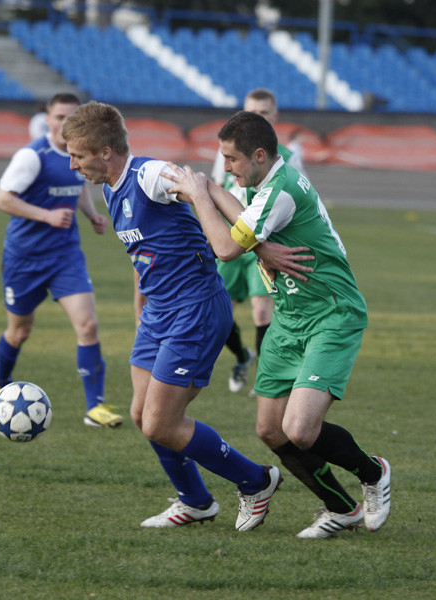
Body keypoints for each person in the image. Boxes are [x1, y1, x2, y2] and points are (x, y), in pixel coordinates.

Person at [61, 101, 317, 530]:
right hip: (159, 312)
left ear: (105, 152)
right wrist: (141, 304)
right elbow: (144, 251)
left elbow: (207, 188)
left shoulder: (148, 175)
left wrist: (259, 244)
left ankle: (256, 480)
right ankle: (196, 502)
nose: (72, 165)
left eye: (77, 156)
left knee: (161, 423)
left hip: (195, 309)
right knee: (143, 416)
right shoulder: (110, 188)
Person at [164, 110, 391, 539]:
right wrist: (210, 188)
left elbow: (225, 247)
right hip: (289, 317)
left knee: (299, 430)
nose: (226, 166)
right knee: (270, 429)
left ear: (259, 155)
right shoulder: (266, 182)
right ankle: (341, 508)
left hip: (330, 314)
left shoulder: (281, 189)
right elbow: (243, 215)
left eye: (231, 159)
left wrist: (199, 197)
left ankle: (373, 472)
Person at [0, 93, 123, 428]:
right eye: (59, 116)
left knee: (88, 325)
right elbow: (2, 199)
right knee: (19, 332)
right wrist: (46, 216)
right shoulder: (32, 157)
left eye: (72, 117)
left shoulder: (80, 154)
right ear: (47, 119)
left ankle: (95, 407)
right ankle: (2, 381)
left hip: (66, 256)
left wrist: (91, 214)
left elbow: (77, 185)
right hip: (24, 258)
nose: (65, 122)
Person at [211, 88, 307, 394]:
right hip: (230, 238)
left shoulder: (288, 159)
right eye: (252, 111)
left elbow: (294, 199)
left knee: (262, 311)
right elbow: (218, 189)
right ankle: (243, 356)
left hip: (261, 242)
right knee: (219, 314)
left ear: (274, 116)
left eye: (263, 112)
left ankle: (266, 380)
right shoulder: (226, 154)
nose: (257, 117)